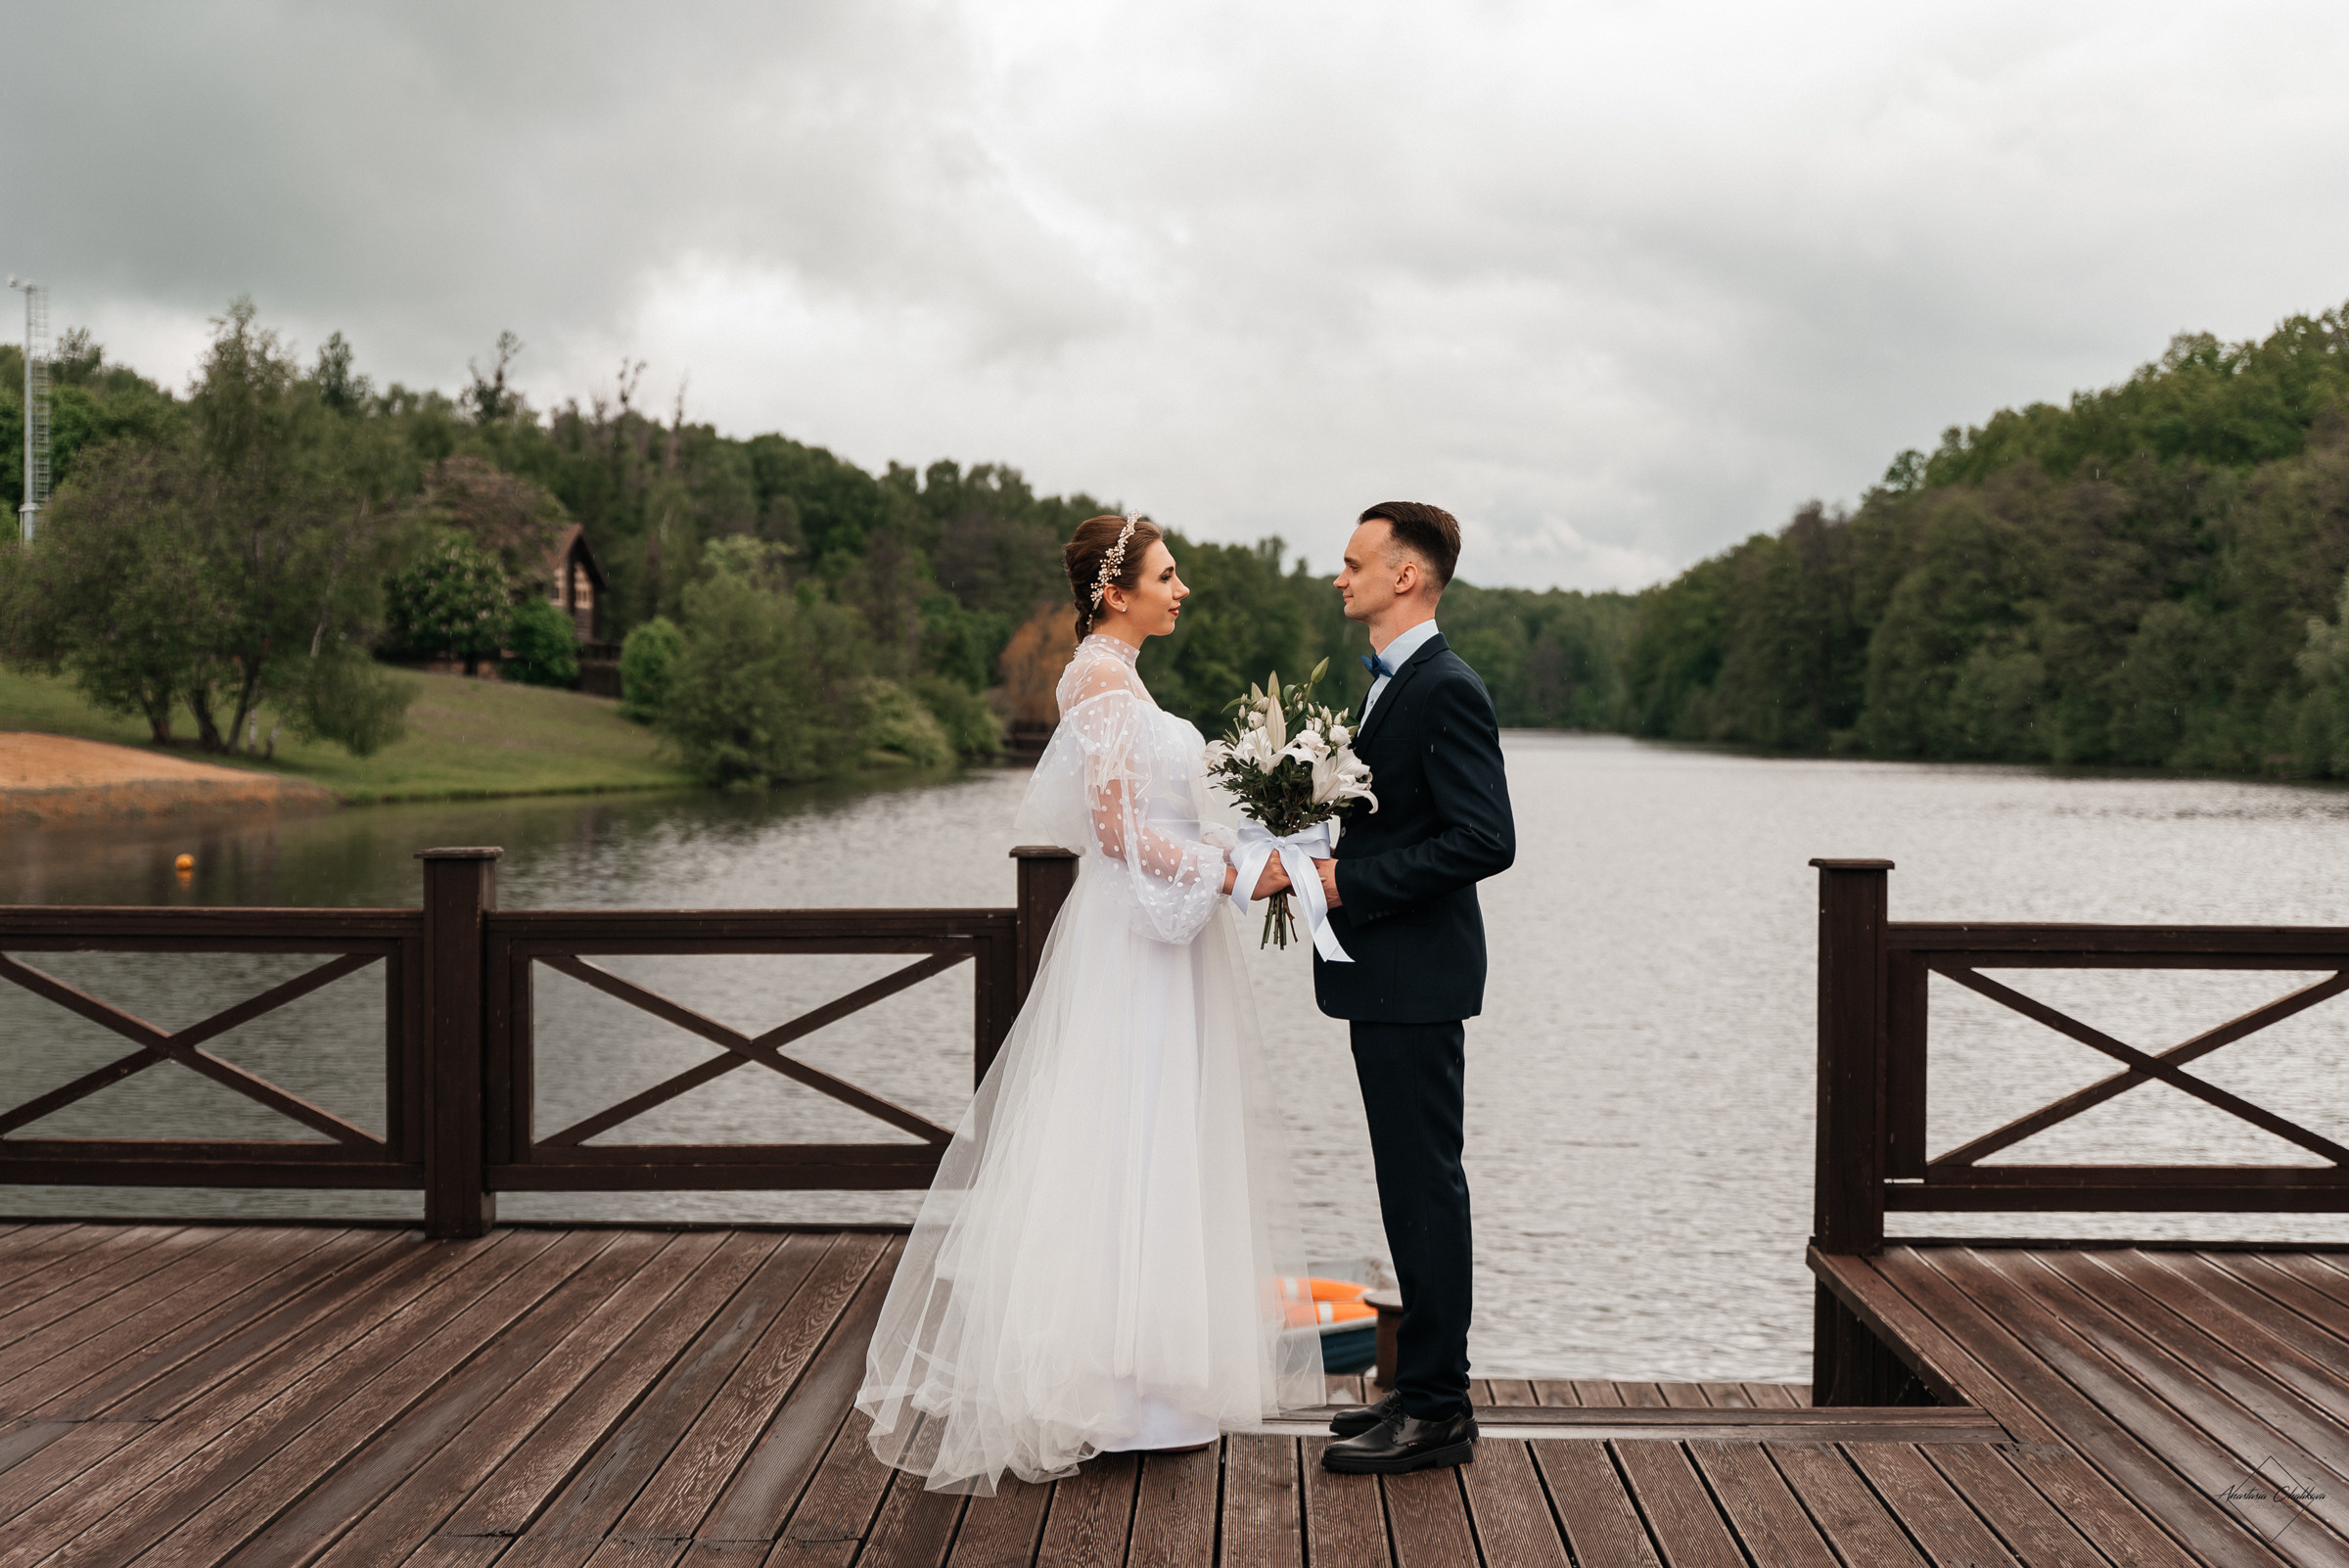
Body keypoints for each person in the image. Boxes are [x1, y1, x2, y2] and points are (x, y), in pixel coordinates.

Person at [855, 513, 1320, 1496]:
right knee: (1121, 1128)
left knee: (1162, 1129)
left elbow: (1158, 816)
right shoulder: (1101, 681)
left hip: (1165, 933)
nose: (1182, 588)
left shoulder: (1125, 678)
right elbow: (1116, 836)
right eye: (1168, 574)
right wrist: (1233, 874)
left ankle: (1157, 1380)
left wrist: (1242, 840)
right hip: (1131, 936)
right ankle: (1108, 1387)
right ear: (1118, 592)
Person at [1311, 501, 1516, 1475]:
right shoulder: (1393, 686)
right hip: (1388, 978)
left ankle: (1438, 1409)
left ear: (1405, 575)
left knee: (1426, 1186)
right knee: (1407, 1185)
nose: (1339, 577)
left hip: (1418, 978)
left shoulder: (1445, 687)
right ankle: (1421, 1388)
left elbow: (1486, 838)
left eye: (1354, 563)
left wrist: (1346, 883)